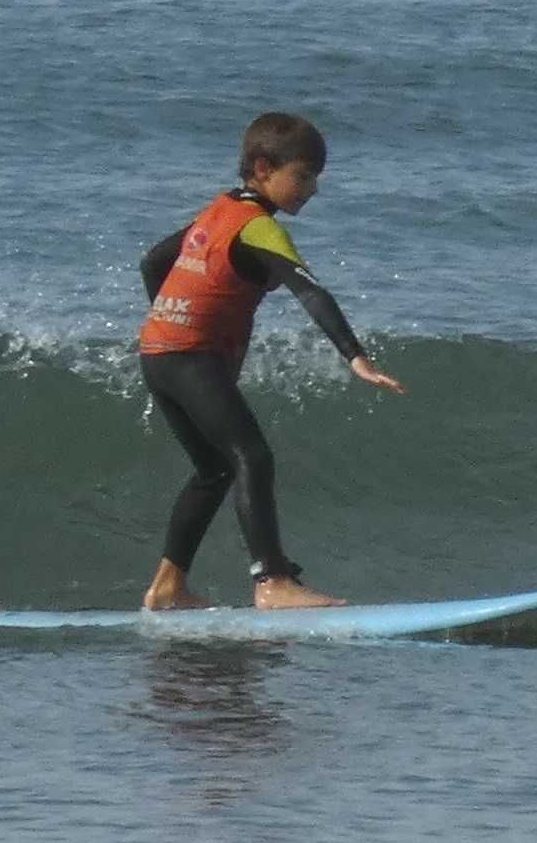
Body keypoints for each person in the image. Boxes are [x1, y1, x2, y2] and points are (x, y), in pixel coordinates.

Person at [134, 112, 404, 610]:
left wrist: (173, 317)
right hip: (191, 359)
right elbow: (312, 292)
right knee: (251, 456)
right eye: (302, 176)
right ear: (263, 168)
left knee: (215, 469)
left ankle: (168, 586)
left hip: (157, 354)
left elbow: (153, 261)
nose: (312, 189)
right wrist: (355, 357)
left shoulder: (218, 213)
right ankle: (272, 582)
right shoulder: (258, 227)